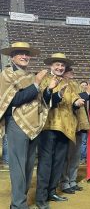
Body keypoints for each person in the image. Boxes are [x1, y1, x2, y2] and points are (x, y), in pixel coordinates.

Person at [0, 42, 57, 209]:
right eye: (20, 53)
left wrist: (49, 90)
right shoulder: (6, 75)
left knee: (28, 166)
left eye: (27, 53)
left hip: (33, 126)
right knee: (18, 168)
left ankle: (20, 201)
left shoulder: (31, 77)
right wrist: (37, 83)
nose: (24, 56)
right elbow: (14, 100)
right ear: (12, 57)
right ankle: (18, 205)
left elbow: (38, 102)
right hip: (16, 124)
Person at [35, 53, 86, 208]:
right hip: (48, 127)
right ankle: (41, 198)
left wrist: (77, 102)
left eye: (62, 65)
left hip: (65, 128)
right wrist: (54, 92)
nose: (60, 67)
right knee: (45, 163)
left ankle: (52, 192)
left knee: (58, 163)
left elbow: (72, 101)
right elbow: (44, 99)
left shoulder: (68, 82)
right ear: (51, 66)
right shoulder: (44, 79)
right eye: (57, 65)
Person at [60, 67, 90, 194]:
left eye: (72, 70)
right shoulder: (62, 85)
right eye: (69, 70)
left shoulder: (75, 84)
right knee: (67, 157)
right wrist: (88, 92)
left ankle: (72, 180)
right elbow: (73, 101)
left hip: (78, 124)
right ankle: (64, 183)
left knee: (75, 156)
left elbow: (83, 98)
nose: (72, 72)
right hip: (67, 125)